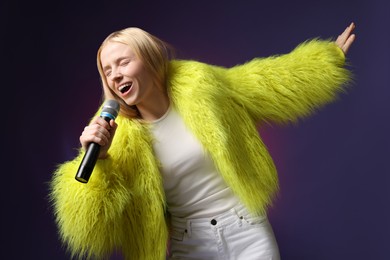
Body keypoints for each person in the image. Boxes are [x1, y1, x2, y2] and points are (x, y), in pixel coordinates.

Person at [50, 23, 355, 259]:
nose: (116, 75)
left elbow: (264, 81)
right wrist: (99, 160)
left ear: (150, 59)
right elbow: (91, 227)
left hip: (247, 230)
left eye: (123, 62)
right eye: (107, 70)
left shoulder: (203, 87)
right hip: (189, 243)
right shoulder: (115, 135)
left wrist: (324, 60)